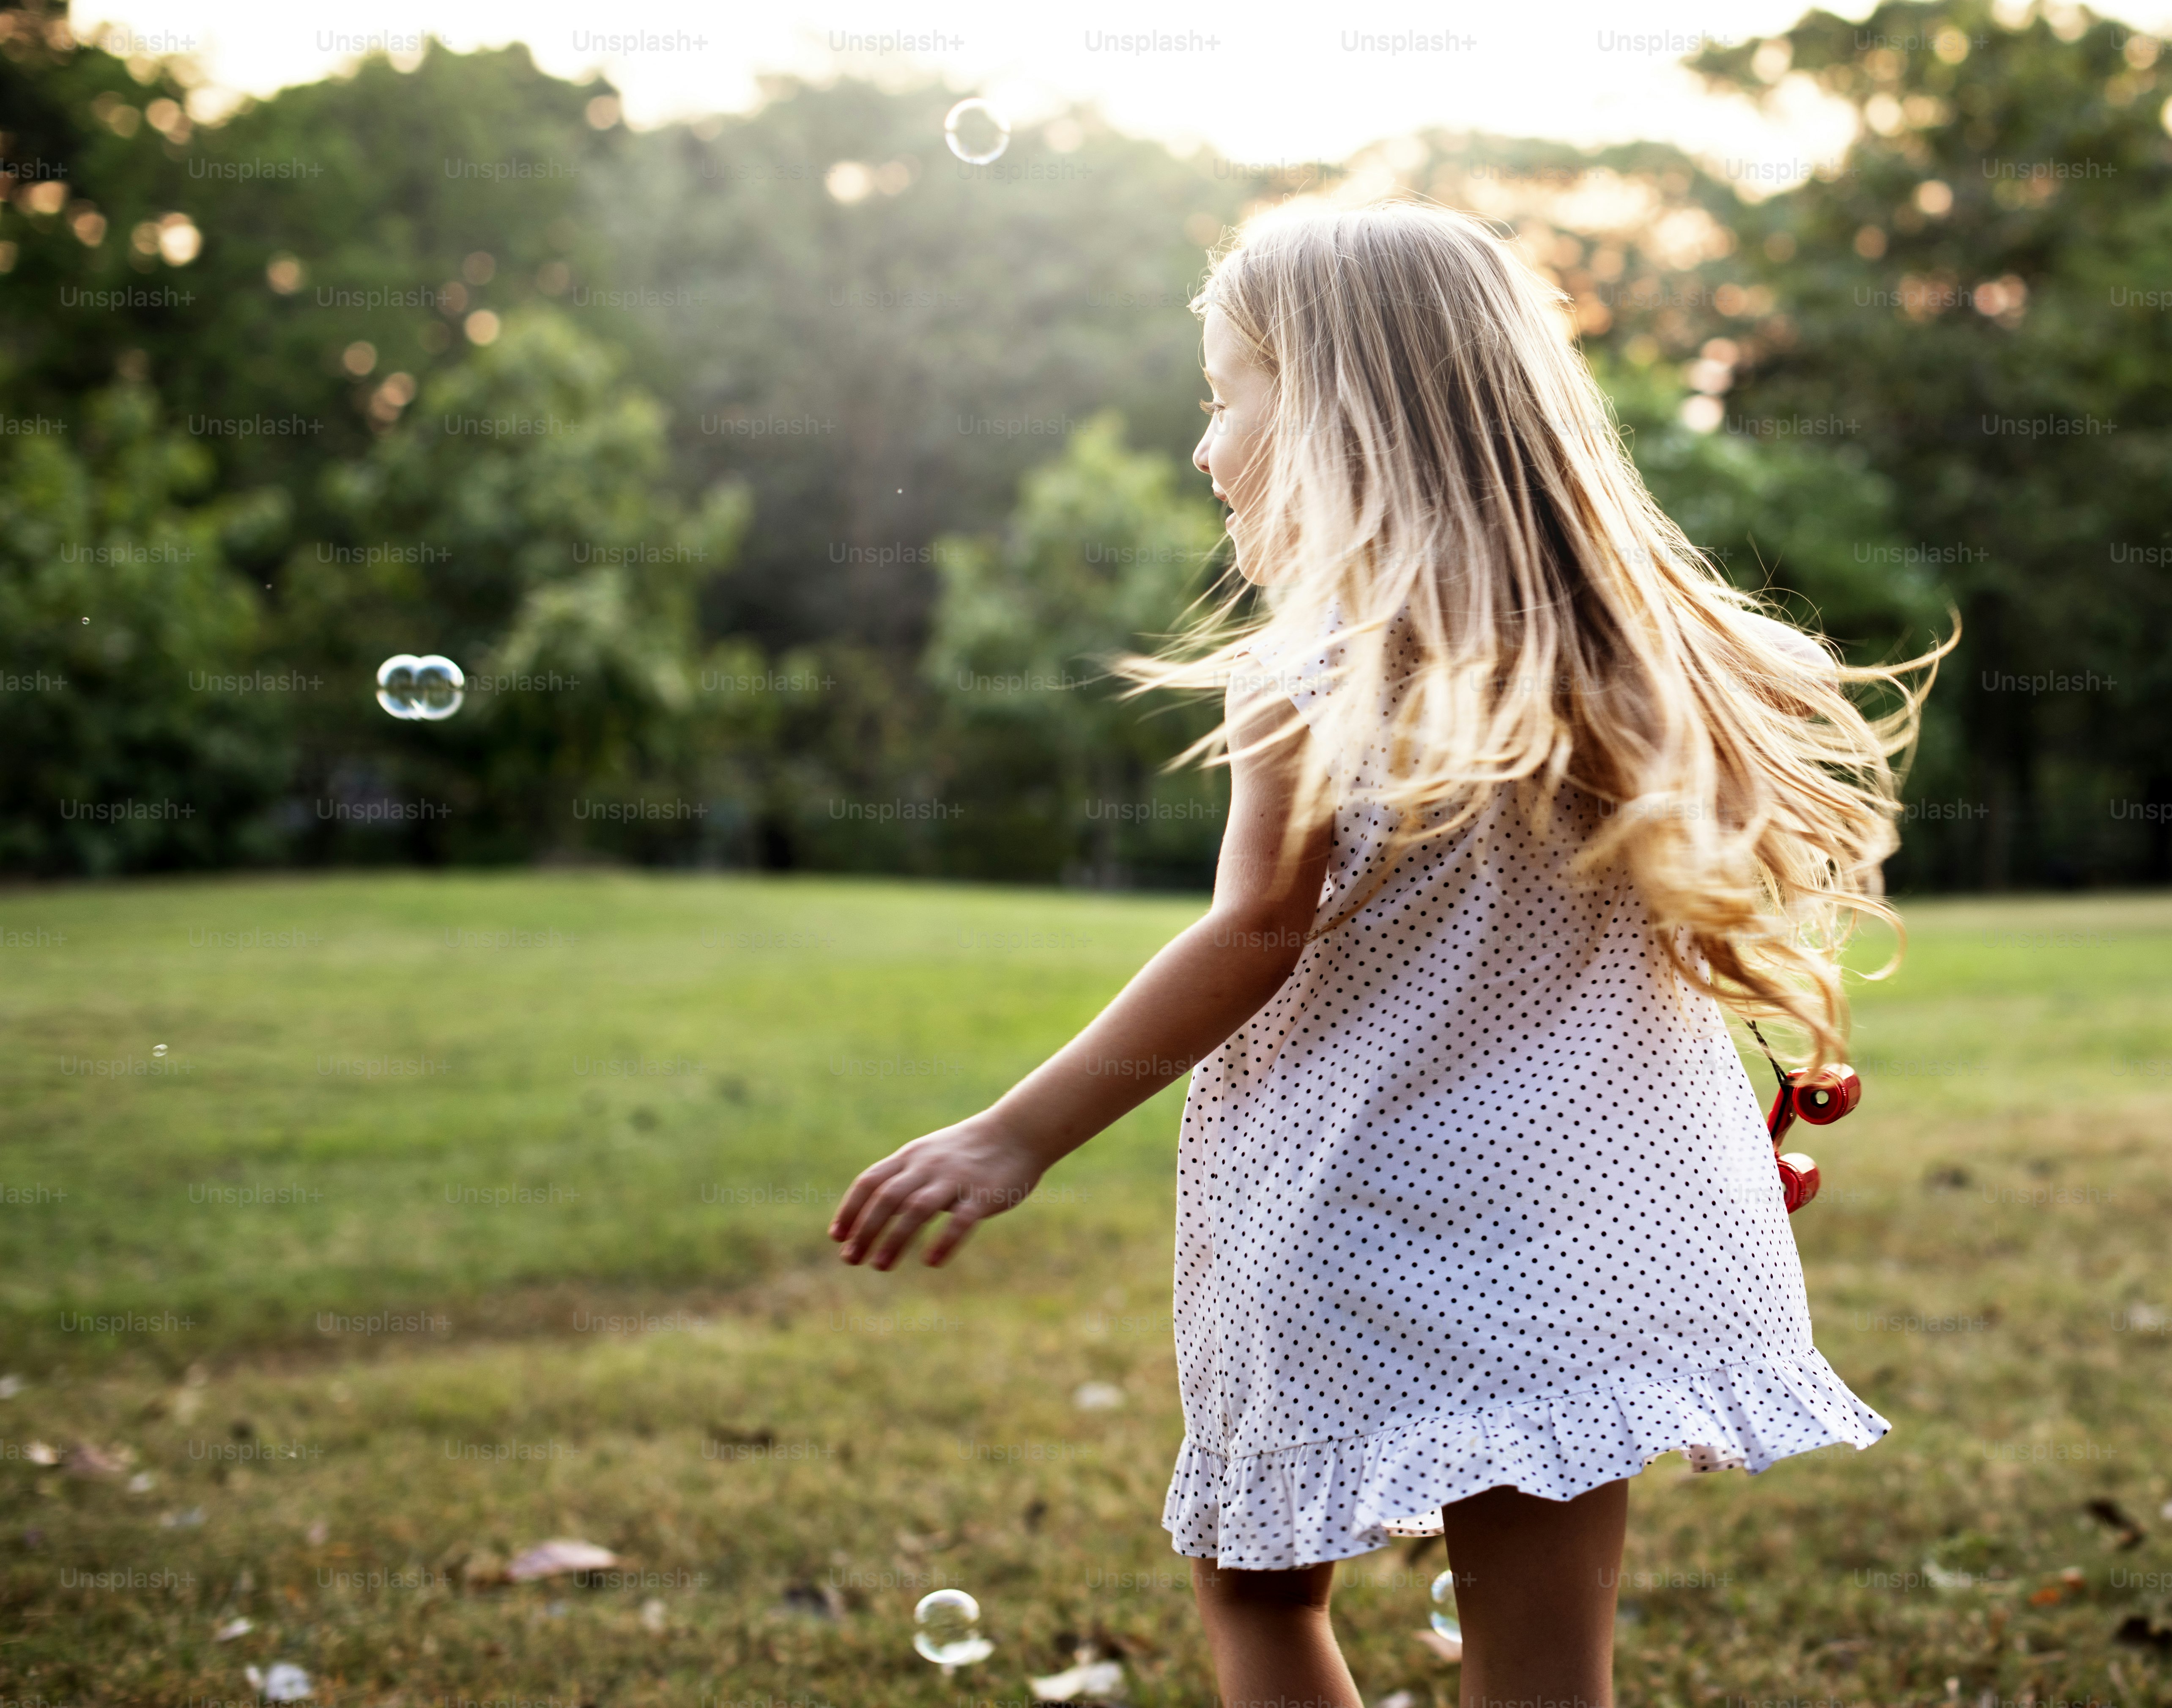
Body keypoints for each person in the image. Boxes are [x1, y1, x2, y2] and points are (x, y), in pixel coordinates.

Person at [831, 197, 1939, 1708]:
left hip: (1366, 1217)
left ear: (1330, 418)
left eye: (1222, 399)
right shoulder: (1629, 659)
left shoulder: (1312, 677)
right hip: (1596, 1239)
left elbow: (1253, 932)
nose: (1204, 449)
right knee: (1547, 1675)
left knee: (1258, 1594)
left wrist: (1012, 1134)